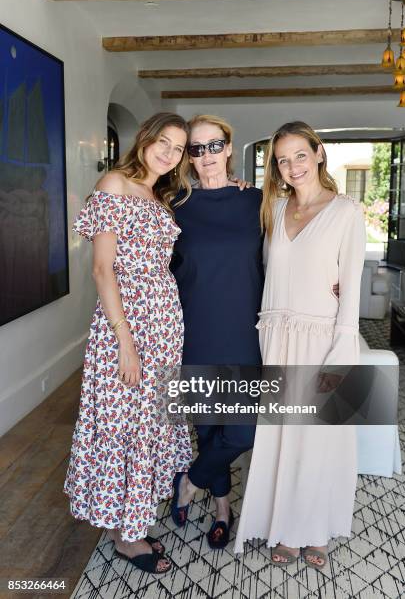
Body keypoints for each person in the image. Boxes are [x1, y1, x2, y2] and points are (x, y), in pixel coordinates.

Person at [63, 112, 193, 574]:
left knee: (149, 423)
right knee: (123, 424)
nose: (169, 152)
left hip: (163, 329)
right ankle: (125, 537)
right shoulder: (114, 183)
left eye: (178, 148)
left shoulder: (159, 197)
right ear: (145, 139)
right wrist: (126, 342)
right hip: (128, 329)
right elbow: (102, 269)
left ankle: (132, 522)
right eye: (163, 141)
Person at [234, 121, 366, 569]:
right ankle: (283, 526)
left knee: (320, 438)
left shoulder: (346, 211)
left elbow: (350, 286)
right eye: (282, 159)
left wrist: (343, 349)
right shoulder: (271, 206)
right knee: (280, 437)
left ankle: (315, 527)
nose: (292, 166)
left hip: (323, 338)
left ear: (319, 154)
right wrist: (236, 186)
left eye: (300, 155)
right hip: (276, 337)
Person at [170, 114, 264, 549]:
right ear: (188, 157)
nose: (206, 155)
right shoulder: (174, 207)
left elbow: (295, 241)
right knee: (209, 428)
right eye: (196, 148)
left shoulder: (257, 201)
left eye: (214, 145)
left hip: (246, 330)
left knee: (244, 429)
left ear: (229, 147)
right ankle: (223, 509)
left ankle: (190, 479)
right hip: (196, 329)